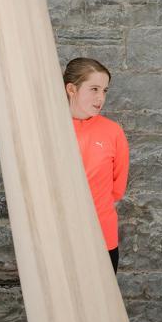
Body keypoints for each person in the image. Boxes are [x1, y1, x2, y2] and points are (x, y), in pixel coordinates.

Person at [64, 57, 129, 273]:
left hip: (103, 238)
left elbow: (117, 189)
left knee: (101, 307)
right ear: (71, 89)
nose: (101, 97)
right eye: (94, 89)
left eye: (104, 90)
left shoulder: (113, 132)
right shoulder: (52, 130)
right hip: (61, 239)